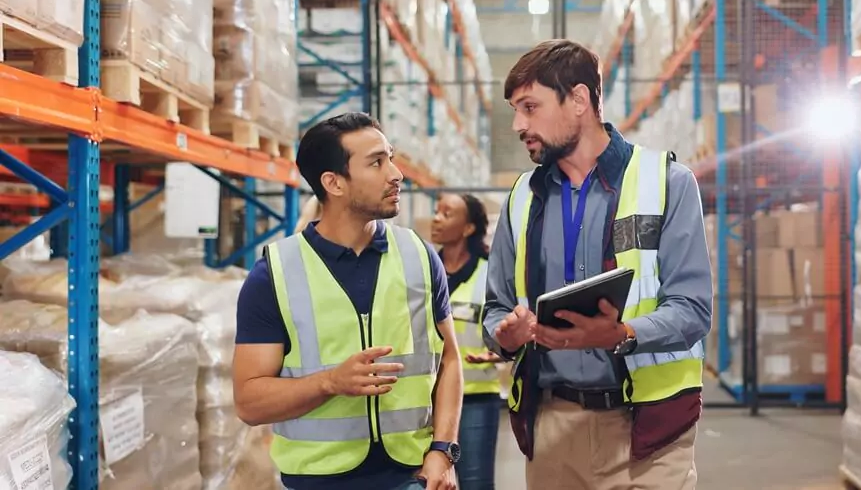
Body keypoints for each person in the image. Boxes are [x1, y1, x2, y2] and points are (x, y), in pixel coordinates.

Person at [482, 39, 713, 489]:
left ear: (580, 99)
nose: (517, 124)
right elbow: (496, 307)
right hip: (553, 425)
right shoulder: (521, 199)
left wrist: (623, 334)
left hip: (649, 432)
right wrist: (503, 334)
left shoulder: (667, 183)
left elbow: (692, 308)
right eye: (514, 109)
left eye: (530, 107)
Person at [233, 112, 463, 490]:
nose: (396, 174)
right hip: (318, 481)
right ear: (333, 183)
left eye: (390, 157)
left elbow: (450, 357)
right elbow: (249, 402)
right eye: (377, 162)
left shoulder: (419, 256)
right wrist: (329, 382)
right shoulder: (273, 274)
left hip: (411, 476)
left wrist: (443, 450)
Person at [430, 193, 502, 490]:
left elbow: (507, 325)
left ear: (469, 228)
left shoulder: (491, 273)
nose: (436, 218)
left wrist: (500, 353)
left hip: (476, 398)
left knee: (475, 483)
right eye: (436, 212)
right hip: (427, 399)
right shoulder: (423, 269)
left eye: (447, 214)